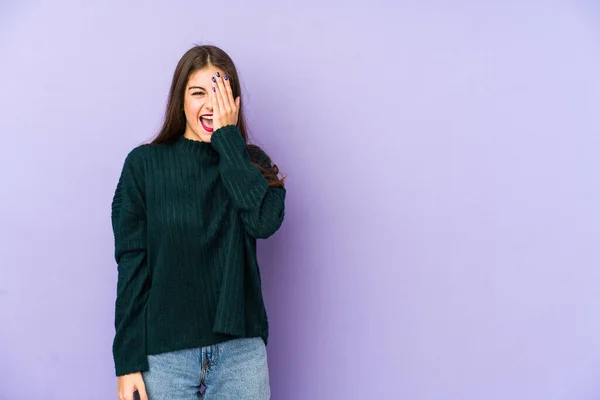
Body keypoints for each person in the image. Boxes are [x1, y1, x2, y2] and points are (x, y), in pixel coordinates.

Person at [111, 44, 286, 400]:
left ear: (234, 103)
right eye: (198, 93)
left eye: (219, 92)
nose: (209, 104)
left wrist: (227, 140)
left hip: (241, 354)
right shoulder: (143, 166)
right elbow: (132, 266)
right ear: (181, 100)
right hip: (166, 357)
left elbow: (264, 223)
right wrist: (127, 362)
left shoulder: (251, 163)